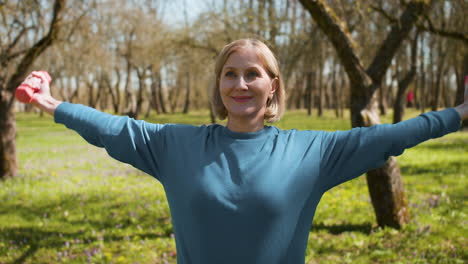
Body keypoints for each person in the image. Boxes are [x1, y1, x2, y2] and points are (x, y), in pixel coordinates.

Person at [20, 39, 467, 264]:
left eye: (252, 73)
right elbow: (113, 128)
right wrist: (52, 104)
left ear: (273, 86)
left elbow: (390, 137)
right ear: (219, 85)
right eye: (230, 74)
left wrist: (459, 114)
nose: (240, 84)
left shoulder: (313, 151)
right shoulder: (175, 145)